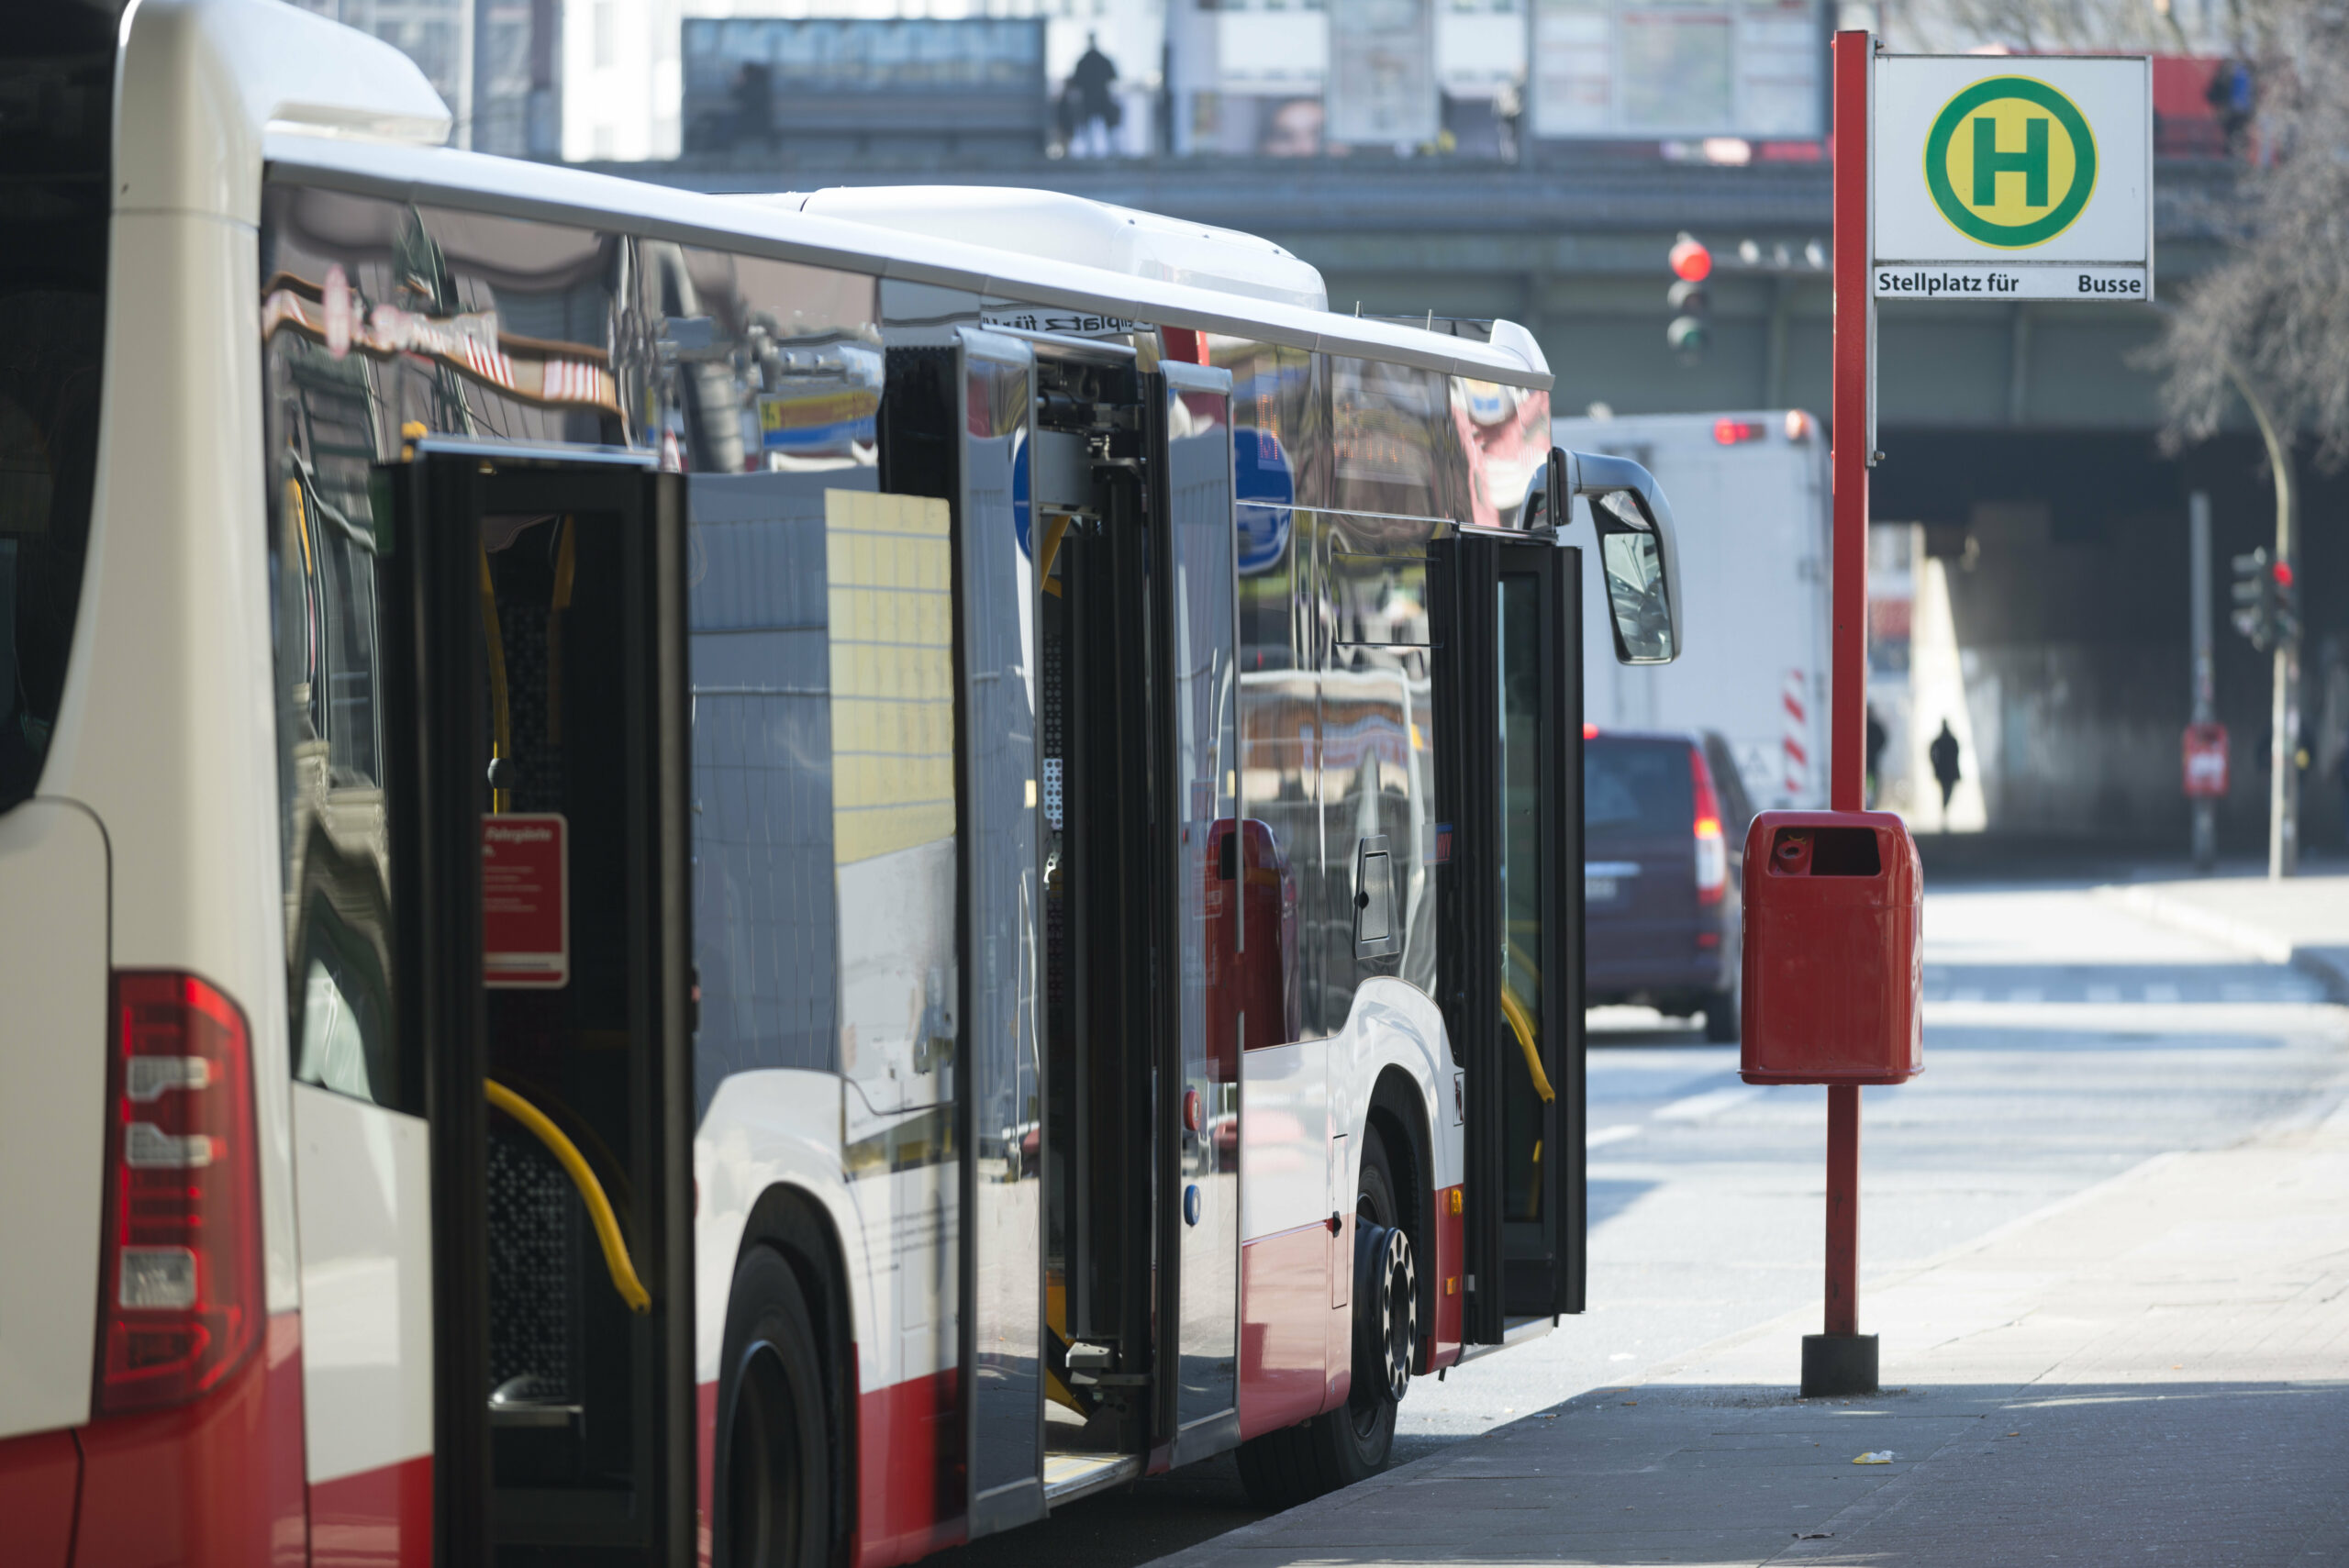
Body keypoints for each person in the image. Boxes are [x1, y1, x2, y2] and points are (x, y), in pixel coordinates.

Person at [1065, 35, 1119, 158]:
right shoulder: (1103, 60)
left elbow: (1076, 82)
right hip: (1102, 97)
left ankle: (1091, 150)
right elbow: (1113, 77)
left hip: (1089, 98)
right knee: (1108, 125)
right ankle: (1110, 150)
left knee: (1089, 124)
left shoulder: (1083, 61)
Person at [1929, 719, 1961, 815]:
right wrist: (1934, 764)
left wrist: (1935, 764)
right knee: (1946, 790)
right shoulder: (1949, 740)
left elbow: (1956, 754)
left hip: (1945, 770)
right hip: (1947, 771)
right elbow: (1932, 752)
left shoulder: (1943, 741)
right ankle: (1944, 807)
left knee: (1947, 790)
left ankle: (1945, 807)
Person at [1865, 705, 1887, 807]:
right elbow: (1883, 739)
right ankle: (1870, 804)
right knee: (1871, 783)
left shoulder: (1864, 726)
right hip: (1872, 762)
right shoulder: (1875, 726)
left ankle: (1869, 803)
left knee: (1869, 783)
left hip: (1869, 763)